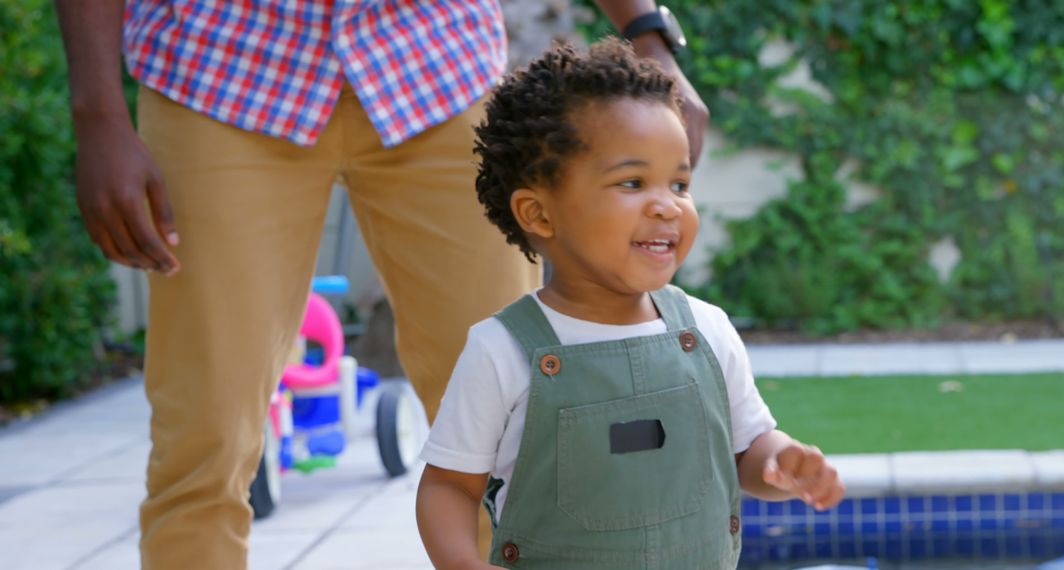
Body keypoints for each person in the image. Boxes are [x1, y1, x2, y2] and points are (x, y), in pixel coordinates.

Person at [53, 0, 709, 568]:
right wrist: (97, 115)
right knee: (204, 437)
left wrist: (648, 32)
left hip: (432, 62)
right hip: (222, 67)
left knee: (522, 426)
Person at [415, 39, 846, 570]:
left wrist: (782, 463)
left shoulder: (707, 332)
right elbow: (449, 487)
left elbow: (745, 452)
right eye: (633, 182)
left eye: (680, 183)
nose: (668, 205)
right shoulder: (500, 350)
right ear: (539, 214)